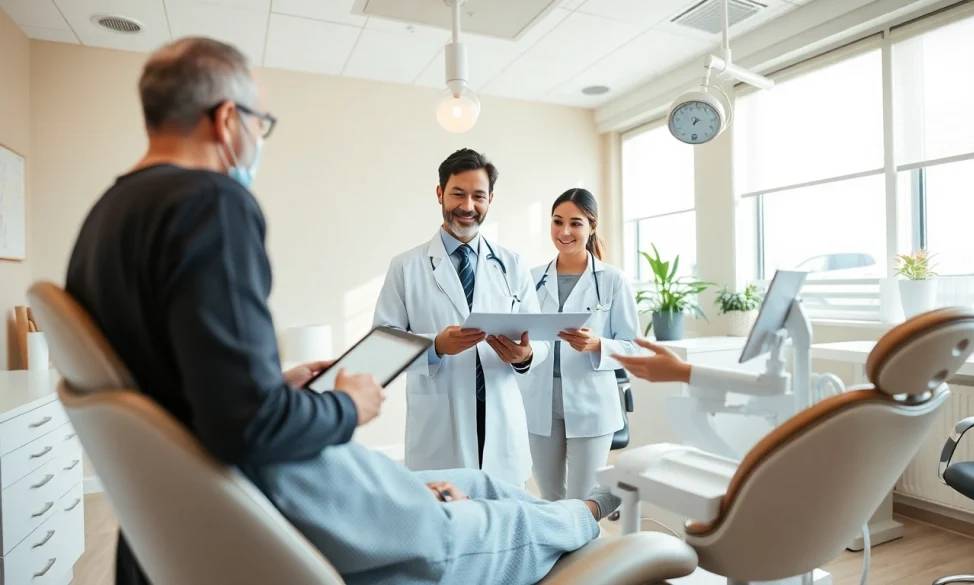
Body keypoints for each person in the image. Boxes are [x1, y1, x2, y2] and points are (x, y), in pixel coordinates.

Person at [62, 37, 620, 585]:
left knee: (480, 483)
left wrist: (277, 385)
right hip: (280, 474)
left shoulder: (104, 218)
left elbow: (194, 388)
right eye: (261, 124)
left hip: (239, 473)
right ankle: (586, 516)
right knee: (467, 521)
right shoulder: (211, 204)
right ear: (227, 119)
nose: (258, 138)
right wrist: (346, 404)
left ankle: (577, 510)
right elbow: (246, 424)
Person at [372, 149, 549, 486]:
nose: (468, 206)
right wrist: (435, 345)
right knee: (447, 518)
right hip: (441, 420)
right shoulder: (406, 266)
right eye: (458, 193)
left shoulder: (512, 264)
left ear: (490, 199)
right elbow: (382, 345)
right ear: (440, 193)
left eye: (478, 196)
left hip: (500, 411)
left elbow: (538, 338)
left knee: (505, 517)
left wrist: (526, 356)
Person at [522, 188, 641, 501]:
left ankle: (586, 551)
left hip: (591, 401)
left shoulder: (613, 280)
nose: (564, 231)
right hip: (539, 400)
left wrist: (597, 344)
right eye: (557, 221)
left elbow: (635, 347)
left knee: (582, 499)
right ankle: (557, 551)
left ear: (592, 227)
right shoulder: (532, 279)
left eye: (575, 223)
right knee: (549, 495)